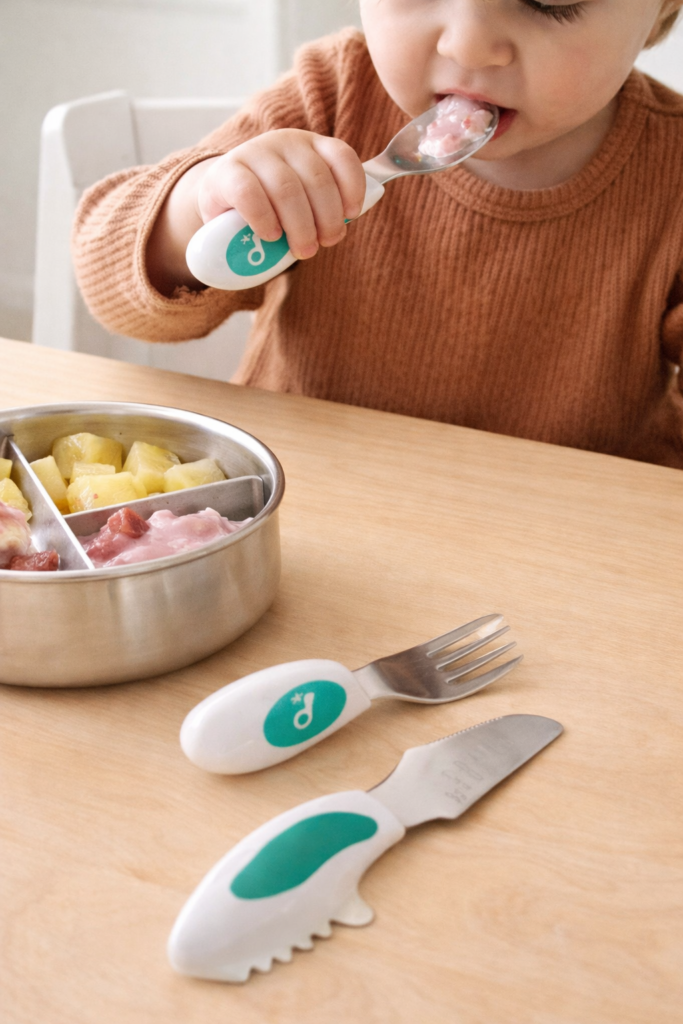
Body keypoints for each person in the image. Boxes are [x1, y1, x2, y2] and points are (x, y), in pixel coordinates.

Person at [72, 0, 683, 468]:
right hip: (307, 501)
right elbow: (108, 286)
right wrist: (199, 208)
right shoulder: (334, 95)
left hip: (567, 543)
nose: (468, 43)